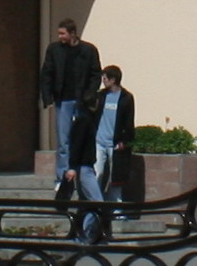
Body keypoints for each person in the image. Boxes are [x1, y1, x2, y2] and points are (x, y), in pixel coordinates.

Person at [67, 65, 136, 245]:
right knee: (97, 174)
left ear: (113, 80)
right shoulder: (100, 96)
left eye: (105, 78)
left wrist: (124, 140)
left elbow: (129, 121)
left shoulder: (126, 98)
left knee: (116, 178)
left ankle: (115, 209)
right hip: (98, 142)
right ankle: (91, 214)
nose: (103, 81)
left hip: (115, 143)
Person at [37, 19, 100, 200]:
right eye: (59, 33)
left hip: (82, 102)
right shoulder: (54, 50)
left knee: (80, 138)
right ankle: (62, 177)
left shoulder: (88, 50)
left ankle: (79, 172)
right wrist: (47, 97)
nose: (60, 37)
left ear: (72, 33)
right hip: (63, 100)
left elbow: (95, 74)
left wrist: (89, 95)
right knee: (63, 141)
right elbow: (47, 73)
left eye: (63, 33)